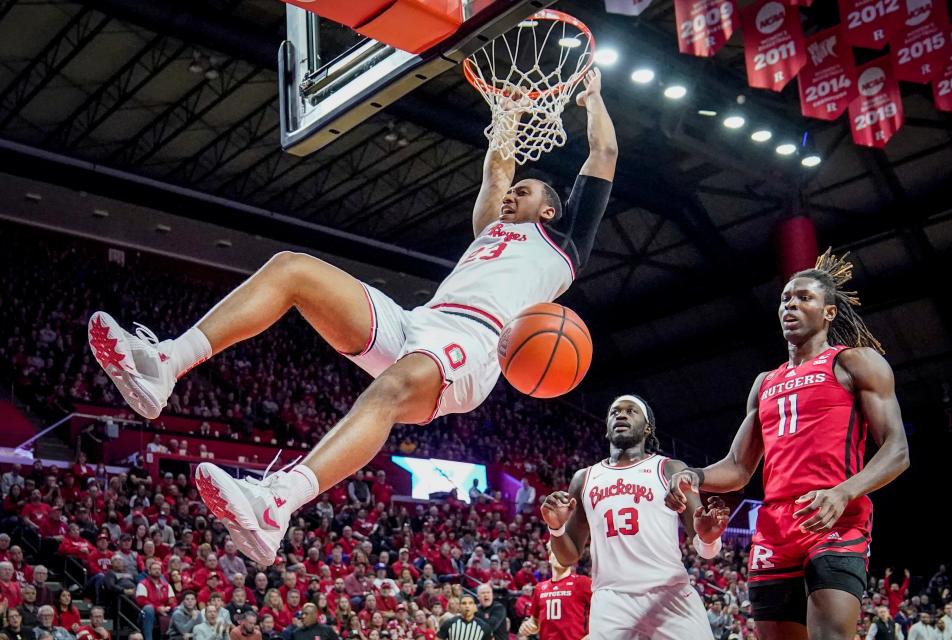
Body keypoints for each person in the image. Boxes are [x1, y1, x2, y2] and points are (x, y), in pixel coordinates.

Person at [88, 69, 617, 564]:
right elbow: (498, 169)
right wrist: (509, 111)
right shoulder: (489, 227)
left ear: (548, 209)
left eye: (524, 192)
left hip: (474, 345)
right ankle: (164, 363)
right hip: (419, 321)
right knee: (291, 268)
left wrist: (592, 96)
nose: (510, 195)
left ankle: (276, 504)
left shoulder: (565, 245)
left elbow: (604, 151)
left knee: (387, 391)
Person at [666, 250, 911, 640]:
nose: (790, 305)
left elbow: (897, 450)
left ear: (829, 312)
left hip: (835, 516)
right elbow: (738, 467)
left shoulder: (855, 363)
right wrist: (693, 476)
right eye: (785, 299)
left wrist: (843, 492)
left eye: (804, 298)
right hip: (775, 527)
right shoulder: (765, 383)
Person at [542, 394, 729, 640]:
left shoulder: (670, 469)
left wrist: (708, 538)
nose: (621, 414)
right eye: (614, 412)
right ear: (607, 429)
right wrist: (555, 528)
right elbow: (568, 556)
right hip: (611, 601)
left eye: (631, 411)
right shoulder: (584, 478)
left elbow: (707, 551)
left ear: (647, 427)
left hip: (669, 594)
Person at [517, 545, 591, 640]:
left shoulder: (582, 582)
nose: (560, 556)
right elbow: (535, 621)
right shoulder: (540, 588)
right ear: (549, 558)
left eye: (564, 553)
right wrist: (528, 626)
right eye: (556, 552)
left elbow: (603, 612)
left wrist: (591, 636)